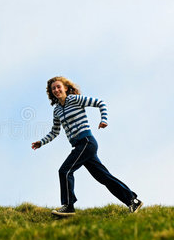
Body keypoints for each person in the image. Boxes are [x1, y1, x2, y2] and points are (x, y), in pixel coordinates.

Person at [31, 76, 142, 216]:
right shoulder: (57, 110)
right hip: (79, 146)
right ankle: (133, 201)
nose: (56, 90)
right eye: (53, 88)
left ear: (65, 87)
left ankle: (68, 206)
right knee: (104, 177)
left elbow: (100, 102)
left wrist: (104, 120)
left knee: (65, 171)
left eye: (59, 86)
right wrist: (41, 142)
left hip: (87, 142)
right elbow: (55, 131)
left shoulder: (75, 99)